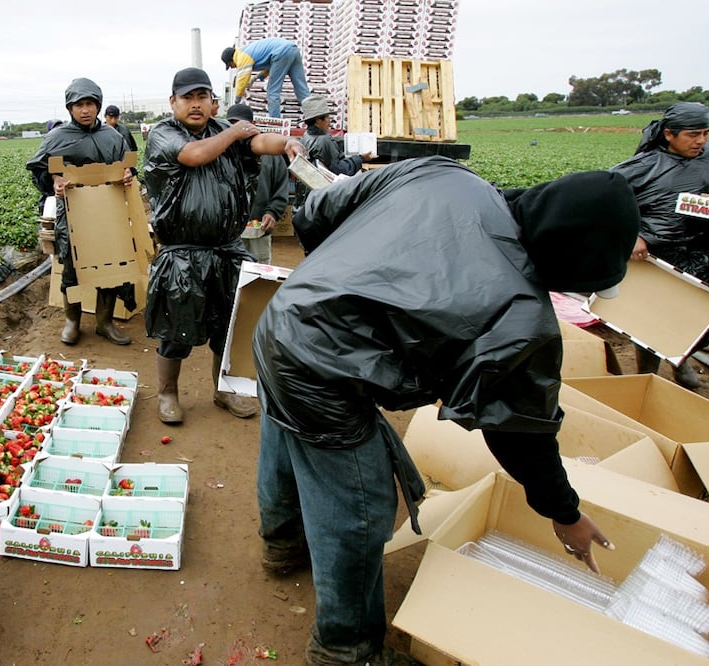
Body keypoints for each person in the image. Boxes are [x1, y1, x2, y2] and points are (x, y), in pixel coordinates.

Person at [253, 157, 639, 665]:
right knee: (360, 503)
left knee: (286, 434)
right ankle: (345, 650)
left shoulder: (442, 176)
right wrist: (563, 514)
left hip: (281, 320)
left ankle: (281, 544)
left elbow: (321, 206)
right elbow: (519, 432)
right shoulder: (519, 316)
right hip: (324, 375)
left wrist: (332, 281)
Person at [142, 67, 305, 424]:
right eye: (187, 98)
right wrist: (233, 131)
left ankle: (224, 390)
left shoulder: (225, 132)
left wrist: (287, 143)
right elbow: (194, 155)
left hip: (227, 247)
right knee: (176, 328)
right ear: (174, 102)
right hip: (182, 250)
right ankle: (168, 393)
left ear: (213, 102)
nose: (195, 104)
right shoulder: (162, 134)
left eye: (202, 97)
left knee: (230, 323)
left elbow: (258, 142)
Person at [611, 102, 709, 389]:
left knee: (700, 317)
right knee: (649, 321)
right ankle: (647, 375)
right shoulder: (644, 166)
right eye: (693, 134)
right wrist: (634, 235)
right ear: (669, 134)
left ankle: (680, 359)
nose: (701, 141)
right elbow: (606, 203)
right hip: (661, 258)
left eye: (705, 133)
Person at [27, 78, 136, 346]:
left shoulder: (113, 137)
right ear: (69, 108)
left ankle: (104, 322)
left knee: (111, 264)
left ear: (97, 106)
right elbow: (40, 170)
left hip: (109, 211)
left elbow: (129, 165)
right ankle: (72, 321)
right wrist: (54, 182)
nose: (85, 110)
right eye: (79, 105)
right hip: (73, 213)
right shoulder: (57, 137)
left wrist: (128, 174)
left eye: (90, 104)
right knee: (72, 268)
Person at [226, 103, 289, 263]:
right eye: (232, 124)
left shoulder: (271, 154)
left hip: (258, 229)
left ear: (253, 125)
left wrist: (272, 212)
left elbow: (281, 189)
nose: (237, 129)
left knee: (257, 275)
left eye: (241, 124)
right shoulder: (221, 153)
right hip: (227, 234)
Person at [293, 95, 371, 211]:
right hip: (320, 203)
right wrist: (360, 158)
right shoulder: (324, 141)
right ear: (319, 120)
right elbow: (339, 170)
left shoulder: (306, 137)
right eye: (328, 118)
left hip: (306, 202)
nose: (330, 121)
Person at [222, 37, 311, 118]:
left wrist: (237, 100)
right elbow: (272, 65)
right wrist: (257, 77)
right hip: (292, 49)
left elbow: (242, 80)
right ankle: (314, 117)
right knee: (301, 87)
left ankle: (275, 122)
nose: (233, 67)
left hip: (281, 52)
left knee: (272, 91)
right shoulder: (247, 51)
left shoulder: (241, 57)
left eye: (230, 65)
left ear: (231, 59)